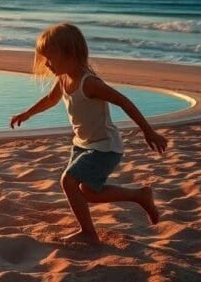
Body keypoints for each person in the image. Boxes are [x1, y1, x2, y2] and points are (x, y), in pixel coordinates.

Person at [9, 23, 167, 244]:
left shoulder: (89, 83)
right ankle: (139, 195)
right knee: (90, 193)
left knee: (68, 181)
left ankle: (88, 233)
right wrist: (27, 113)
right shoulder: (63, 79)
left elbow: (124, 101)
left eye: (50, 57)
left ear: (70, 53)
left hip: (105, 147)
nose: (46, 63)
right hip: (83, 144)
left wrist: (148, 132)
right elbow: (50, 100)